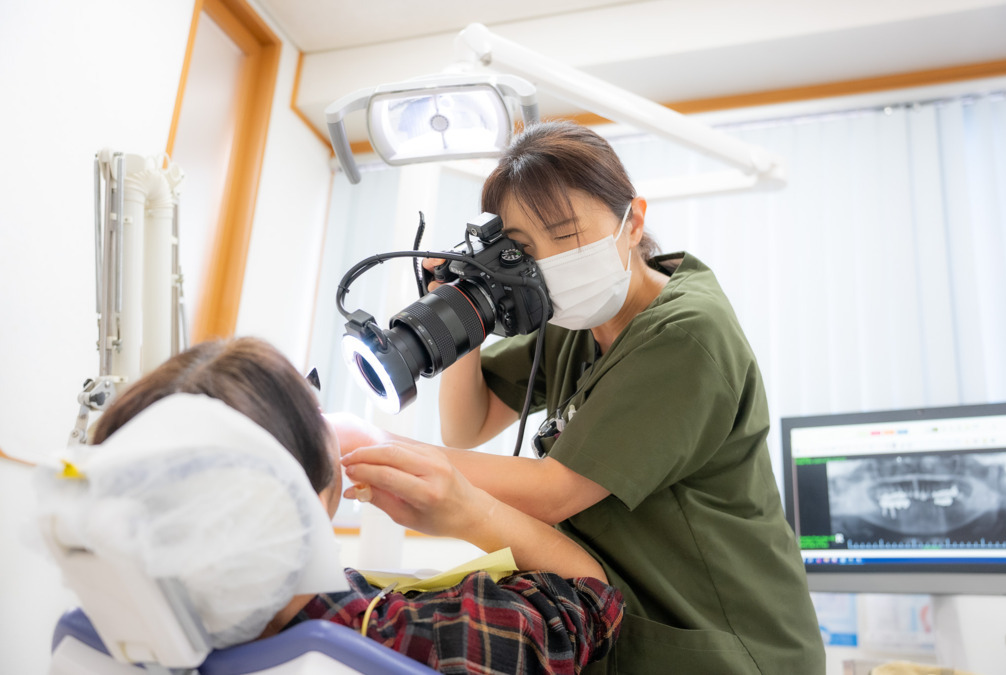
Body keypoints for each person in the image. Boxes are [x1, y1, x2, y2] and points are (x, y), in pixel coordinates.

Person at [340, 121, 825, 674]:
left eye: (566, 233)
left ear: (633, 220)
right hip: (628, 629)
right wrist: (461, 314)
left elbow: (552, 493)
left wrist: (369, 443)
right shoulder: (574, 321)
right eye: (523, 248)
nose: (547, 263)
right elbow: (467, 425)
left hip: (728, 643)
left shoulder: (687, 334)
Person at [90, 337, 623, 674]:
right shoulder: (430, 640)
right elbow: (590, 593)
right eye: (313, 404)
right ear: (292, 497)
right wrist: (471, 513)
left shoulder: (117, 630)